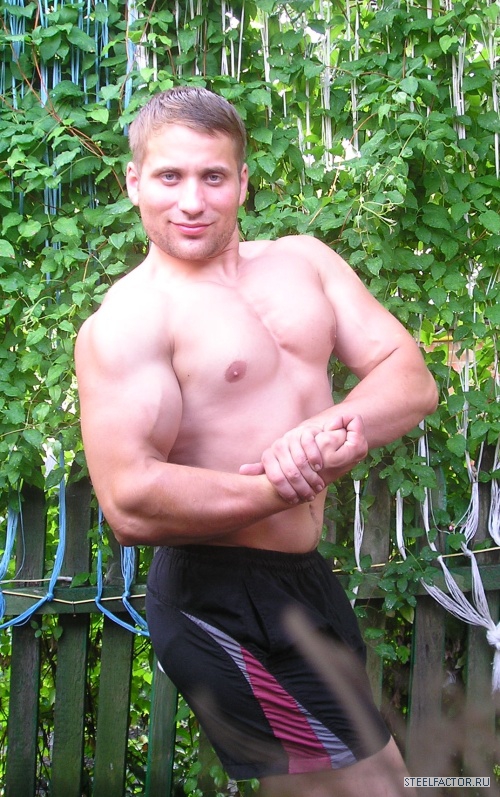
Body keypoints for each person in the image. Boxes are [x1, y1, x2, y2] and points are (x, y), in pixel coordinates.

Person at [75, 85, 438, 797]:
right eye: (169, 176)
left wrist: (325, 433)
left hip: (305, 581)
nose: (192, 201)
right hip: (215, 597)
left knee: (360, 782)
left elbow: (410, 377)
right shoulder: (130, 322)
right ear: (134, 183)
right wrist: (283, 483)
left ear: (243, 181)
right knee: (367, 786)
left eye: (212, 176)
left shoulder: (305, 261)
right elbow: (130, 501)